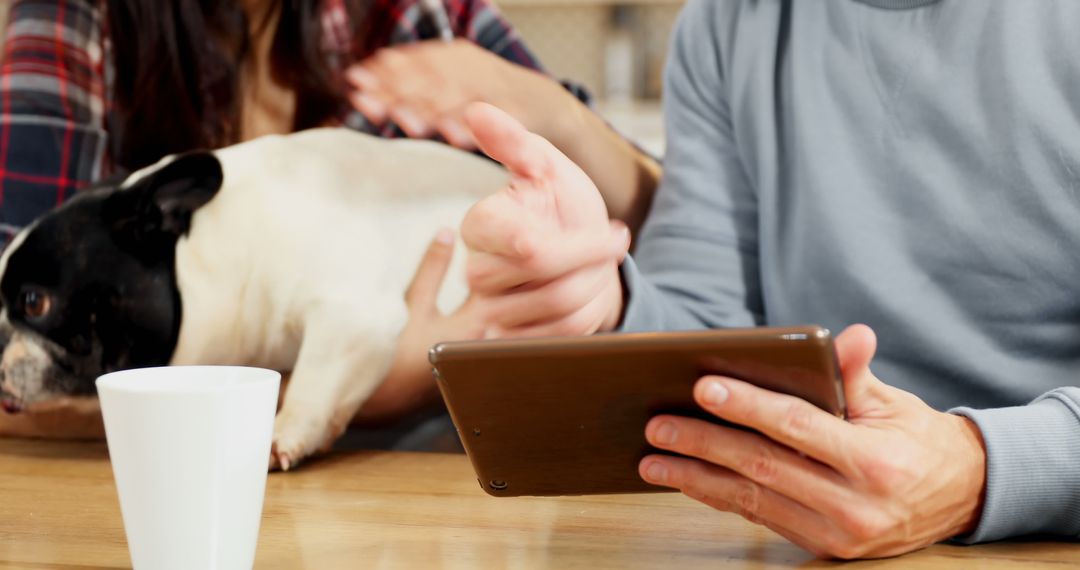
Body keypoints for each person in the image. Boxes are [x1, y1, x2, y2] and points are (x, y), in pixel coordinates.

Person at [450, 0, 1080, 559]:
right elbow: (707, 331)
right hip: (799, 536)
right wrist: (604, 305)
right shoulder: (727, 22)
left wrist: (979, 468)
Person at [0, 0, 658, 434]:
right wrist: (349, 387)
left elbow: (660, 228)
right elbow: (14, 383)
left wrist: (557, 116)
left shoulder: (416, 14)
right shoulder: (76, 24)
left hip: (455, 469)